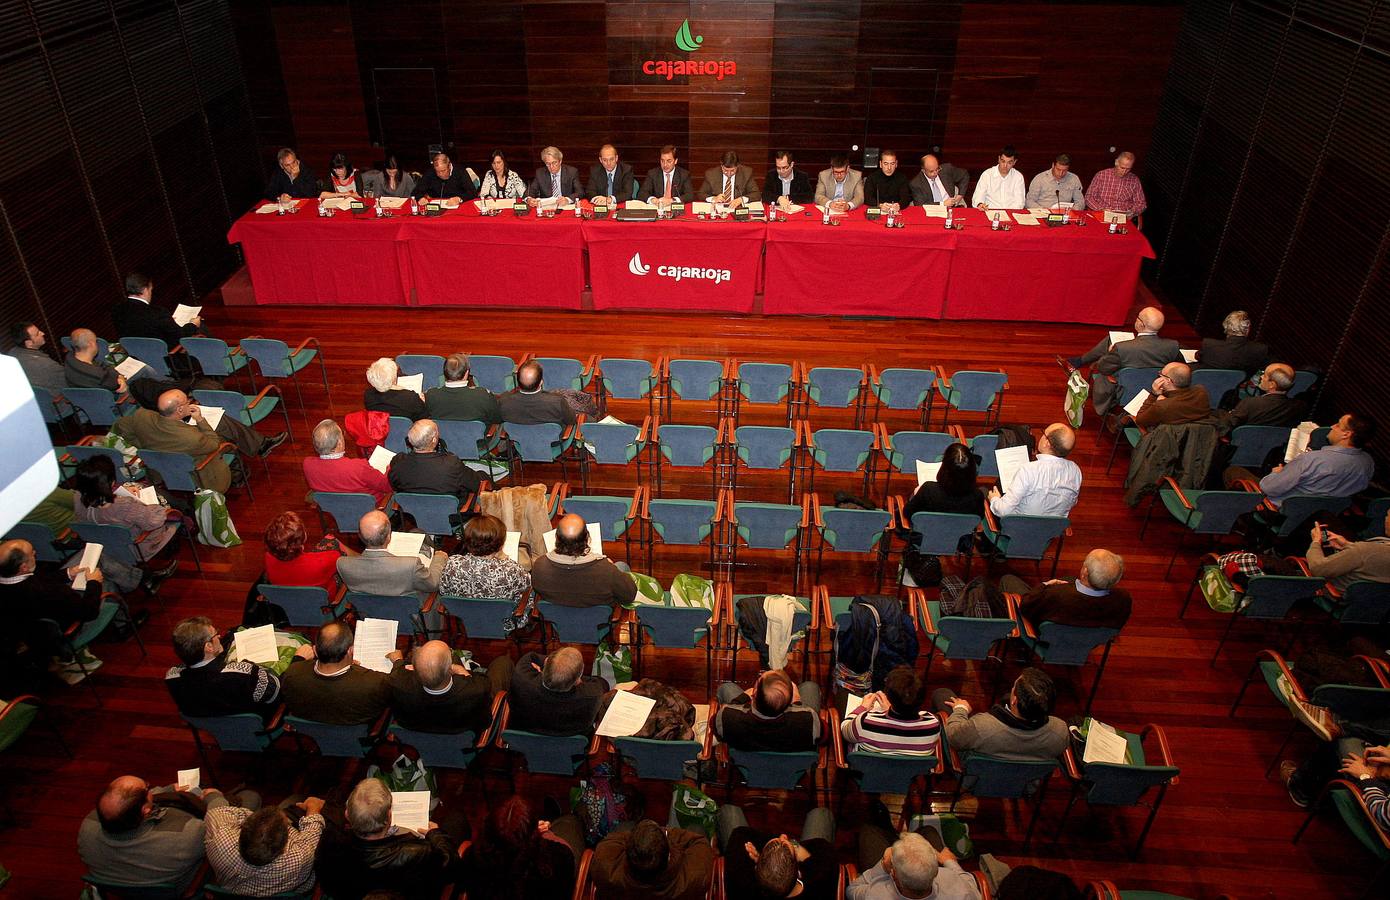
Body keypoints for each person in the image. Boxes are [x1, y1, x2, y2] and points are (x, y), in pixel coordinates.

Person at [78, 776, 248, 892]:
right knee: (250, 798)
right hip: (178, 887)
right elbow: (219, 827)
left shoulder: (87, 827)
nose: (151, 789)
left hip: (125, 886)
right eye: (148, 789)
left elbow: (123, 801)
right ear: (146, 811)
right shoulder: (186, 834)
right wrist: (214, 798)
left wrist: (166, 790)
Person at [314, 777, 462, 900]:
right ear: (390, 816)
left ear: (347, 815)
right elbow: (451, 868)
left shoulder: (329, 843)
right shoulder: (418, 851)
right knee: (456, 820)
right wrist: (435, 834)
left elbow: (327, 884)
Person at [112, 389, 285, 493]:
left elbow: (121, 427)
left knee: (224, 426)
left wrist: (144, 445)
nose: (190, 401)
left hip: (163, 467)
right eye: (188, 401)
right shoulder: (192, 438)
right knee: (224, 429)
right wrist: (201, 420)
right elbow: (214, 445)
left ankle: (252, 454)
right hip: (199, 466)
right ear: (180, 410)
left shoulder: (142, 415)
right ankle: (248, 459)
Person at [0, 539, 106, 686]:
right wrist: (94, 583)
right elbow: (89, 612)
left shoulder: (12, 581)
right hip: (69, 630)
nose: (35, 553)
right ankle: (121, 623)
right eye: (32, 553)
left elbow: (34, 580)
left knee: (91, 558)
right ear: (23, 567)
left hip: (33, 636)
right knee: (106, 578)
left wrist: (68, 574)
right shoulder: (50, 593)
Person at [1224, 413, 1376, 508]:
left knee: (1233, 471)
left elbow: (1269, 488)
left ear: (1346, 434)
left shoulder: (1311, 460)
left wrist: (1275, 474)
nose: (1332, 426)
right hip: (1322, 516)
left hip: (1278, 509)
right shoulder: (1368, 463)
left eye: (1338, 425)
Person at [459, 796, 583, 900]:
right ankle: (557, 818)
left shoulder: (472, 857)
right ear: (533, 835)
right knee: (569, 823)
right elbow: (565, 859)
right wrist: (546, 833)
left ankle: (552, 816)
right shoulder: (554, 860)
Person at [933, 668, 1069, 760]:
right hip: (1024, 783)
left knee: (942, 694)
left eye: (1014, 687)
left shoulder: (983, 726)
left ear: (1014, 700)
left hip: (976, 778)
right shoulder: (1060, 730)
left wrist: (960, 710)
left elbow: (953, 737)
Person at [204, 797, 326, 896]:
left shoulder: (220, 839)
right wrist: (313, 806)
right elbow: (312, 831)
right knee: (292, 799)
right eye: (287, 825)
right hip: (293, 889)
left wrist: (260, 822)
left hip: (229, 889)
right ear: (284, 845)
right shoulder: (299, 859)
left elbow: (218, 811)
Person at [164, 616, 282, 719]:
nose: (220, 636)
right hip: (256, 726)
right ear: (209, 646)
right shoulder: (241, 672)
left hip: (217, 730)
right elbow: (275, 692)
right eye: (215, 635)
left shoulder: (172, 677)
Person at [387, 639, 512, 735]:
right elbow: (482, 682)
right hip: (466, 733)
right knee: (502, 662)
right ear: (450, 669)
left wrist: (398, 660)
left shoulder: (398, 683)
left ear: (413, 669)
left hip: (421, 730)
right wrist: (463, 672)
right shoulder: (476, 690)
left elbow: (398, 673)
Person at [1072, 307, 1183, 414]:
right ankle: (1080, 360)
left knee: (1109, 350)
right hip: (1155, 387)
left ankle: (1079, 361)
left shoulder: (1122, 348)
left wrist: (1110, 353)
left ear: (1141, 324)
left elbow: (1102, 368)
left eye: (1137, 317)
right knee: (1109, 340)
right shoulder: (1173, 346)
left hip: (1125, 389)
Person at [279, 621, 390, 725]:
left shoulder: (292, 673)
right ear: (350, 651)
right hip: (355, 735)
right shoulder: (375, 682)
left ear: (315, 650)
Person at [73, 455, 181, 560]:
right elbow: (155, 521)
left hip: (106, 546)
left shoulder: (78, 498)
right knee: (172, 516)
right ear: (112, 482)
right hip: (136, 548)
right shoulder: (123, 506)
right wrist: (145, 504)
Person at [717, 806, 838, 900]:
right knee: (822, 814)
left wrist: (766, 858)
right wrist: (794, 846)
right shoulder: (821, 881)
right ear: (799, 873)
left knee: (728, 811)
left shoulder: (742, 885)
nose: (783, 836)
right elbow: (820, 846)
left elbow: (740, 833)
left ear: (756, 869)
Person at [1003, 549, 1132, 630]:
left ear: (1085, 572)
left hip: (1044, 637)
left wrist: (1044, 585)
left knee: (1008, 580)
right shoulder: (1124, 601)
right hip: (1083, 644)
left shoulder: (1055, 594)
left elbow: (1026, 606)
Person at [337, 510, 446, 604]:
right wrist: (439, 558)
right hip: (411, 615)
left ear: (360, 536)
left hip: (370, 612)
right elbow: (433, 584)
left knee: (417, 532)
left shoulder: (343, 564)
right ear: (389, 536)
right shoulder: (411, 565)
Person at [530, 513, 636, 607]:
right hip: (599, 624)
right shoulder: (607, 570)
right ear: (586, 539)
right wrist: (611, 567)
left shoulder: (539, 566)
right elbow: (629, 596)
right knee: (622, 566)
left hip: (558, 624)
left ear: (557, 538)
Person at [591, 818, 714, 900]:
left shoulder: (606, 871)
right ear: (669, 854)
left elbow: (610, 841)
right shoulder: (693, 878)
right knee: (696, 828)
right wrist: (667, 833)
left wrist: (641, 838)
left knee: (626, 825)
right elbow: (698, 842)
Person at [847, 829, 979, 900]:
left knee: (869, 832)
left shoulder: (875, 895)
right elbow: (970, 884)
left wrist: (882, 865)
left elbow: (852, 890)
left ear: (894, 875)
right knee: (929, 831)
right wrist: (949, 861)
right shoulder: (960, 890)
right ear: (936, 872)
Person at [841, 665, 942, 757]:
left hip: (866, 773)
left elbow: (844, 730)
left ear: (888, 696)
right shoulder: (933, 725)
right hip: (908, 775)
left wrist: (863, 707)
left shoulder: (865, 721)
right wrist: (889, 709)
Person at [987, 424, 1081, 519]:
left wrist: (994, 499)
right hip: (1050, 530)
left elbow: (1002, 511)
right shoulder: (1075, 471)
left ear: (1046, 443)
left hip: (1018, 527)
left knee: (985, 492)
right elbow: (1072, 502)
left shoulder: (1029, 470)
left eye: (1044, 434)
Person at [714, 668, 821, 752]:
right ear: (789, 703)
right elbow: (822, 738)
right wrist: (798, 703)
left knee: (727, 688)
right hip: (790, 766)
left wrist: (741, 699)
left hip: (748, 761)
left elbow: (716, 729)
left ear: (754, 694)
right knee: (810, 686)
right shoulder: (808, 721)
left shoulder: (728, 717)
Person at [507, 647, 608, 735]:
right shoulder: (592, 695)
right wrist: (573, 678)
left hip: (524, 743)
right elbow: (602, 683)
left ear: (546, 662)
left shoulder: (522, 678)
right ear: (579, 676)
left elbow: (532, 658)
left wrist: (547, 671)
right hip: (570, 750)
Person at [438, 514, 530, 601]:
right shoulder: (512, 570)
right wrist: (505, 559)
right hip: (503, 617)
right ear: (500, 544)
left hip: (463, 616)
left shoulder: (452, 564)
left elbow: (443, 591)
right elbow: (527, 587)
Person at [303, 419, 393, 506]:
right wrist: (390, 466)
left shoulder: (307, 465)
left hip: (335, 511)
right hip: (372, 510)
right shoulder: (359, 467)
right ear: (339, 443)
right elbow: (387, 485)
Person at [387, 419, 482, 500]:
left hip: (412, 514)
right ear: (434, 440)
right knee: (482, 476)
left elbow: (395, 485)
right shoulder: (452, 464)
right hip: (452, 515)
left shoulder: (398, 463)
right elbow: (475, 484)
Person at [113, 271, 204, 352]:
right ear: (145, 290)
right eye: (151, 289)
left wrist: (167, 321)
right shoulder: (157, 313)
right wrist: (193, 324)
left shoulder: (117, 310)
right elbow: (181, 335)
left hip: (136, 355)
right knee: (201, 327)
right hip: (163, 355)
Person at [263, 510, 346, 595]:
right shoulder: (327, 559)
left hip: (289, 599)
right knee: (332, 541)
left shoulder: (268, 557)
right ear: (304, 537)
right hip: (324, 601)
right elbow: (340, 562)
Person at [902, 442, 985, 520]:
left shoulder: (928, 489)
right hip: (961, 535)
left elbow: (907, 513)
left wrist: (917, 493)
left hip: (927, 532)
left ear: (944, 468)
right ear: (972, 470)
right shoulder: (978, 496)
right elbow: (979, 518)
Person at [1306, 516, 1390, 591]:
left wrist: (1316, 541)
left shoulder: (1362, 550)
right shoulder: (1365, 550)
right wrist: (1348, 545)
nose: (1385, 518)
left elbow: (1318, 569)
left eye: (1387, 515)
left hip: (1333, 594)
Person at [1220, 364, 1308, 430]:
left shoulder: (1250, 403)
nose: (1261, 377)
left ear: (1272, 385)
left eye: (1265, 375)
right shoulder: (1300, 407)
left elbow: (1229, 426)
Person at [425, 353, 503, 424]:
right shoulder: (483, 395)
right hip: (477, 439)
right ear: (466, 373)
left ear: (444, 373)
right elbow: (497, 419)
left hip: (440, 438)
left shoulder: (431, 395)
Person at [1132, 363, 1214, 428]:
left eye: (1161, 374)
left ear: (1168, 381)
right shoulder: (1201, 391)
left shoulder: (1162, 406)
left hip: (1168, 442)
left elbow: (1140, 421)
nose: (1159, 375)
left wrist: (1153, 394)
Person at [498, 361, 577, 426]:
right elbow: (572, 421)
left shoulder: (504, 401)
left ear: (518, 382)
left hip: (518, 441)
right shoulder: (557, 401)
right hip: (552, 441)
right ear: (541, 382)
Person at [1196, 310, 1269, 375]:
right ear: (1247, 330)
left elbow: (1199, 357)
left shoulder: (1209, 344)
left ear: (1226, 326)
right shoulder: (1260, 350)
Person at [7, 320, 65, 397]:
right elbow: (71, 383)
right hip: (59, 402)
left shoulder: (12, 354)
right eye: (38, 334)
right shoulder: (48, 365)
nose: (42, 333)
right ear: (29, 343)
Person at [1086, 150, 1147, 223]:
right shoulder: (1102, 175)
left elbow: (1141, 203)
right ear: (1116, 163)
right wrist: (1100, 209)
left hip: (1124, 219)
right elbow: (1089, 197)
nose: (1124, 172)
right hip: (1102, 215)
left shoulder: (1134, 180)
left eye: (1128, 169)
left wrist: (1132, 212)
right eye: (1122, 168)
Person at [413, 150, 478, 202]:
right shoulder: (430, 172)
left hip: (457, 206)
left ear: (449, 166)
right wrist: (420, 198)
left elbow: (472, 193)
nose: (440, 174)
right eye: (437, 171)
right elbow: (416, 192)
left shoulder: (460, 171)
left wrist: (459, 199)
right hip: (437, 206)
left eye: (443, 171)